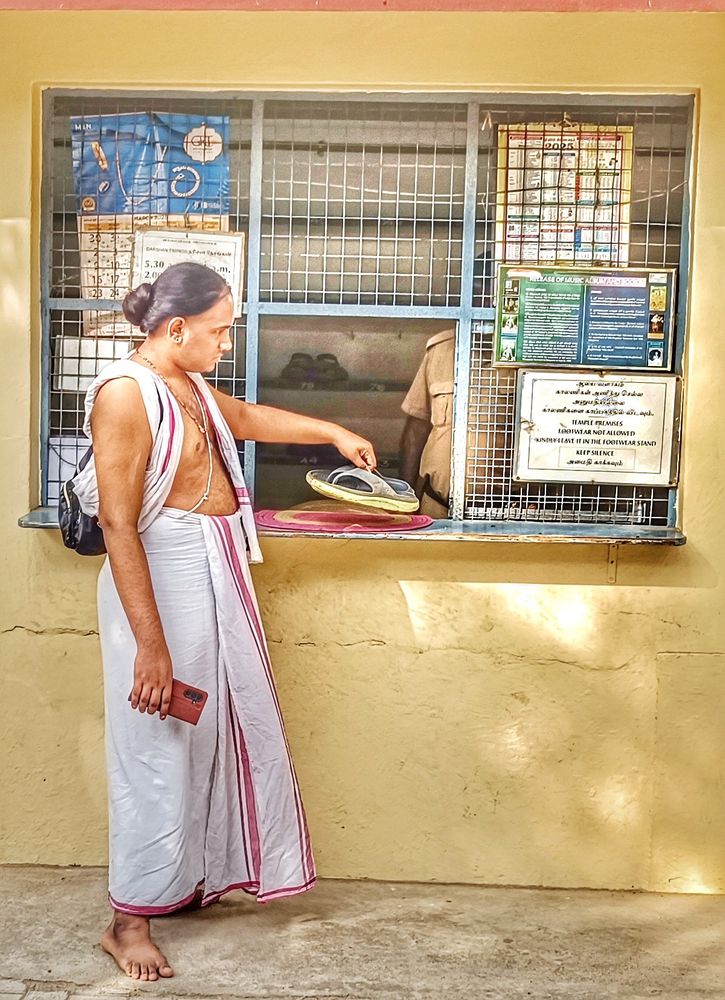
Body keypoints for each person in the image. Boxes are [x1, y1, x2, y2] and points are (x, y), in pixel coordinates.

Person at [71, 263, 377, 981]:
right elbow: (118, 522)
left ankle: (181, 881)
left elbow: (243, 418)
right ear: (176, 328)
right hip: (158, 581)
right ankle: (128, 921)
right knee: (154, 740)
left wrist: (332, 431)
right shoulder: (126, 393)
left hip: (212, 571)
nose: (225, 342)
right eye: (218, 330)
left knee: (206, 730)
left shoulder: (188, 384)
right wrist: (150, 645)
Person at [399, 328, 455, 518]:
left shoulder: (538, 352)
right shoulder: (441, 349)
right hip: (438, 507)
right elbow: (415, 433)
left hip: (520, 510)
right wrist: (405, 501)